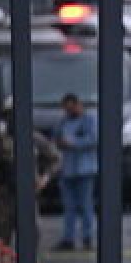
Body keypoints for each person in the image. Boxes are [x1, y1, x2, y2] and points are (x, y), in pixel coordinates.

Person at [0, 97, 60, 246]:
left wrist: (45, 178)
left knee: (31, 238)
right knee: (0, 240)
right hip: (2, 195)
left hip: (27, 192)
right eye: (9, 114)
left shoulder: (34, 138)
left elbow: (55, 158)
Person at [53, 94, 98, 251]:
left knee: (86, 204)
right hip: (67, 169)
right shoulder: (63, 122)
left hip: (84, 169)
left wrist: (74, 143)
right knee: (69, 206)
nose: (69, 111)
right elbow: (55, 140)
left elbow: (93, 140)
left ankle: (87, 237)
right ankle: (68, 238)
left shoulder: (88, 120)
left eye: (72, 107)